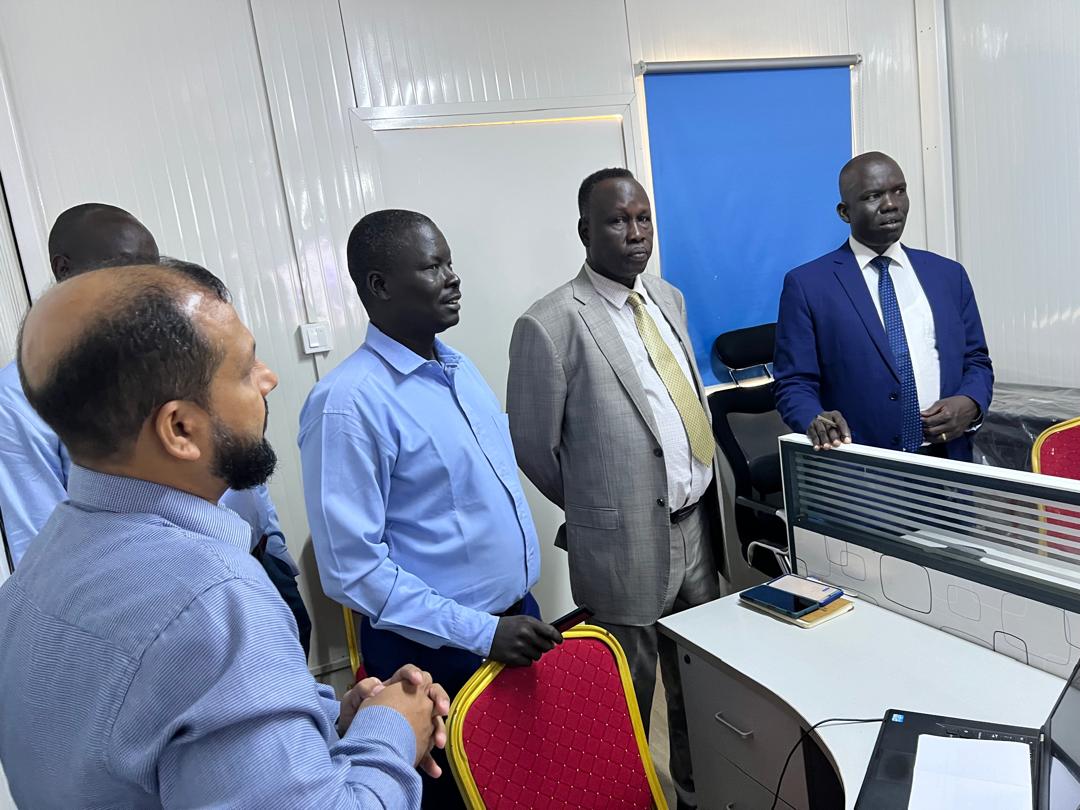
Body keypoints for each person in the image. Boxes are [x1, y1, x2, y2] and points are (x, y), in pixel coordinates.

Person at [0, 262, 449, 808]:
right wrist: (393, 730)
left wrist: (325, 721)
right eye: (244, 368)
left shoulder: (37, 570)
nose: (268, 378)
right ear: (180, 429)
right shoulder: (216, 599)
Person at [300, 209, 561, 808]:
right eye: (432, 266)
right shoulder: (348, 403)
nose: (452, 277)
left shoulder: (459, 370)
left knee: (523, 785)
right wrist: (481, 631)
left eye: (450, 262)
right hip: (431, 656)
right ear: (380, 285)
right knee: (458, 799)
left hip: (513, 625)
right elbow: (353, 572)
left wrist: (505, 622)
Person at [0, 204, 312, 654]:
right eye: (127, 270)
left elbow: (237, 458)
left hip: (254, 561)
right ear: (63, 269)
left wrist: (273, 548)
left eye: (153, 267)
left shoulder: (186, 345)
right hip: (170, 609)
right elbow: (37, 532)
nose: (150, 286)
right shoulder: (25, 393)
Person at [507, 168, 723, 810]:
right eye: (617, 221)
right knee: (629, 696)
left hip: (696, 528)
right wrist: (603, 509)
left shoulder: (668, 298)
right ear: (585, 231)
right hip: (624, 545)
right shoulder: (549, 324)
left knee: (698, 683)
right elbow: (534, 448)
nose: (635, 233)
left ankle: (693, 793)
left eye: (643, 218)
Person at [773, 152, 993, 461]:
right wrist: (813, 417)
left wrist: (971, 402)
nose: (891, 204)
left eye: (899, 191)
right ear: (844, 212)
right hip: (860, 466)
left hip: (949, 459)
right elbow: (793, 382)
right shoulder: (808, 285)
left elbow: (977, 360)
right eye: (872, 196)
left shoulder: (948, 275)